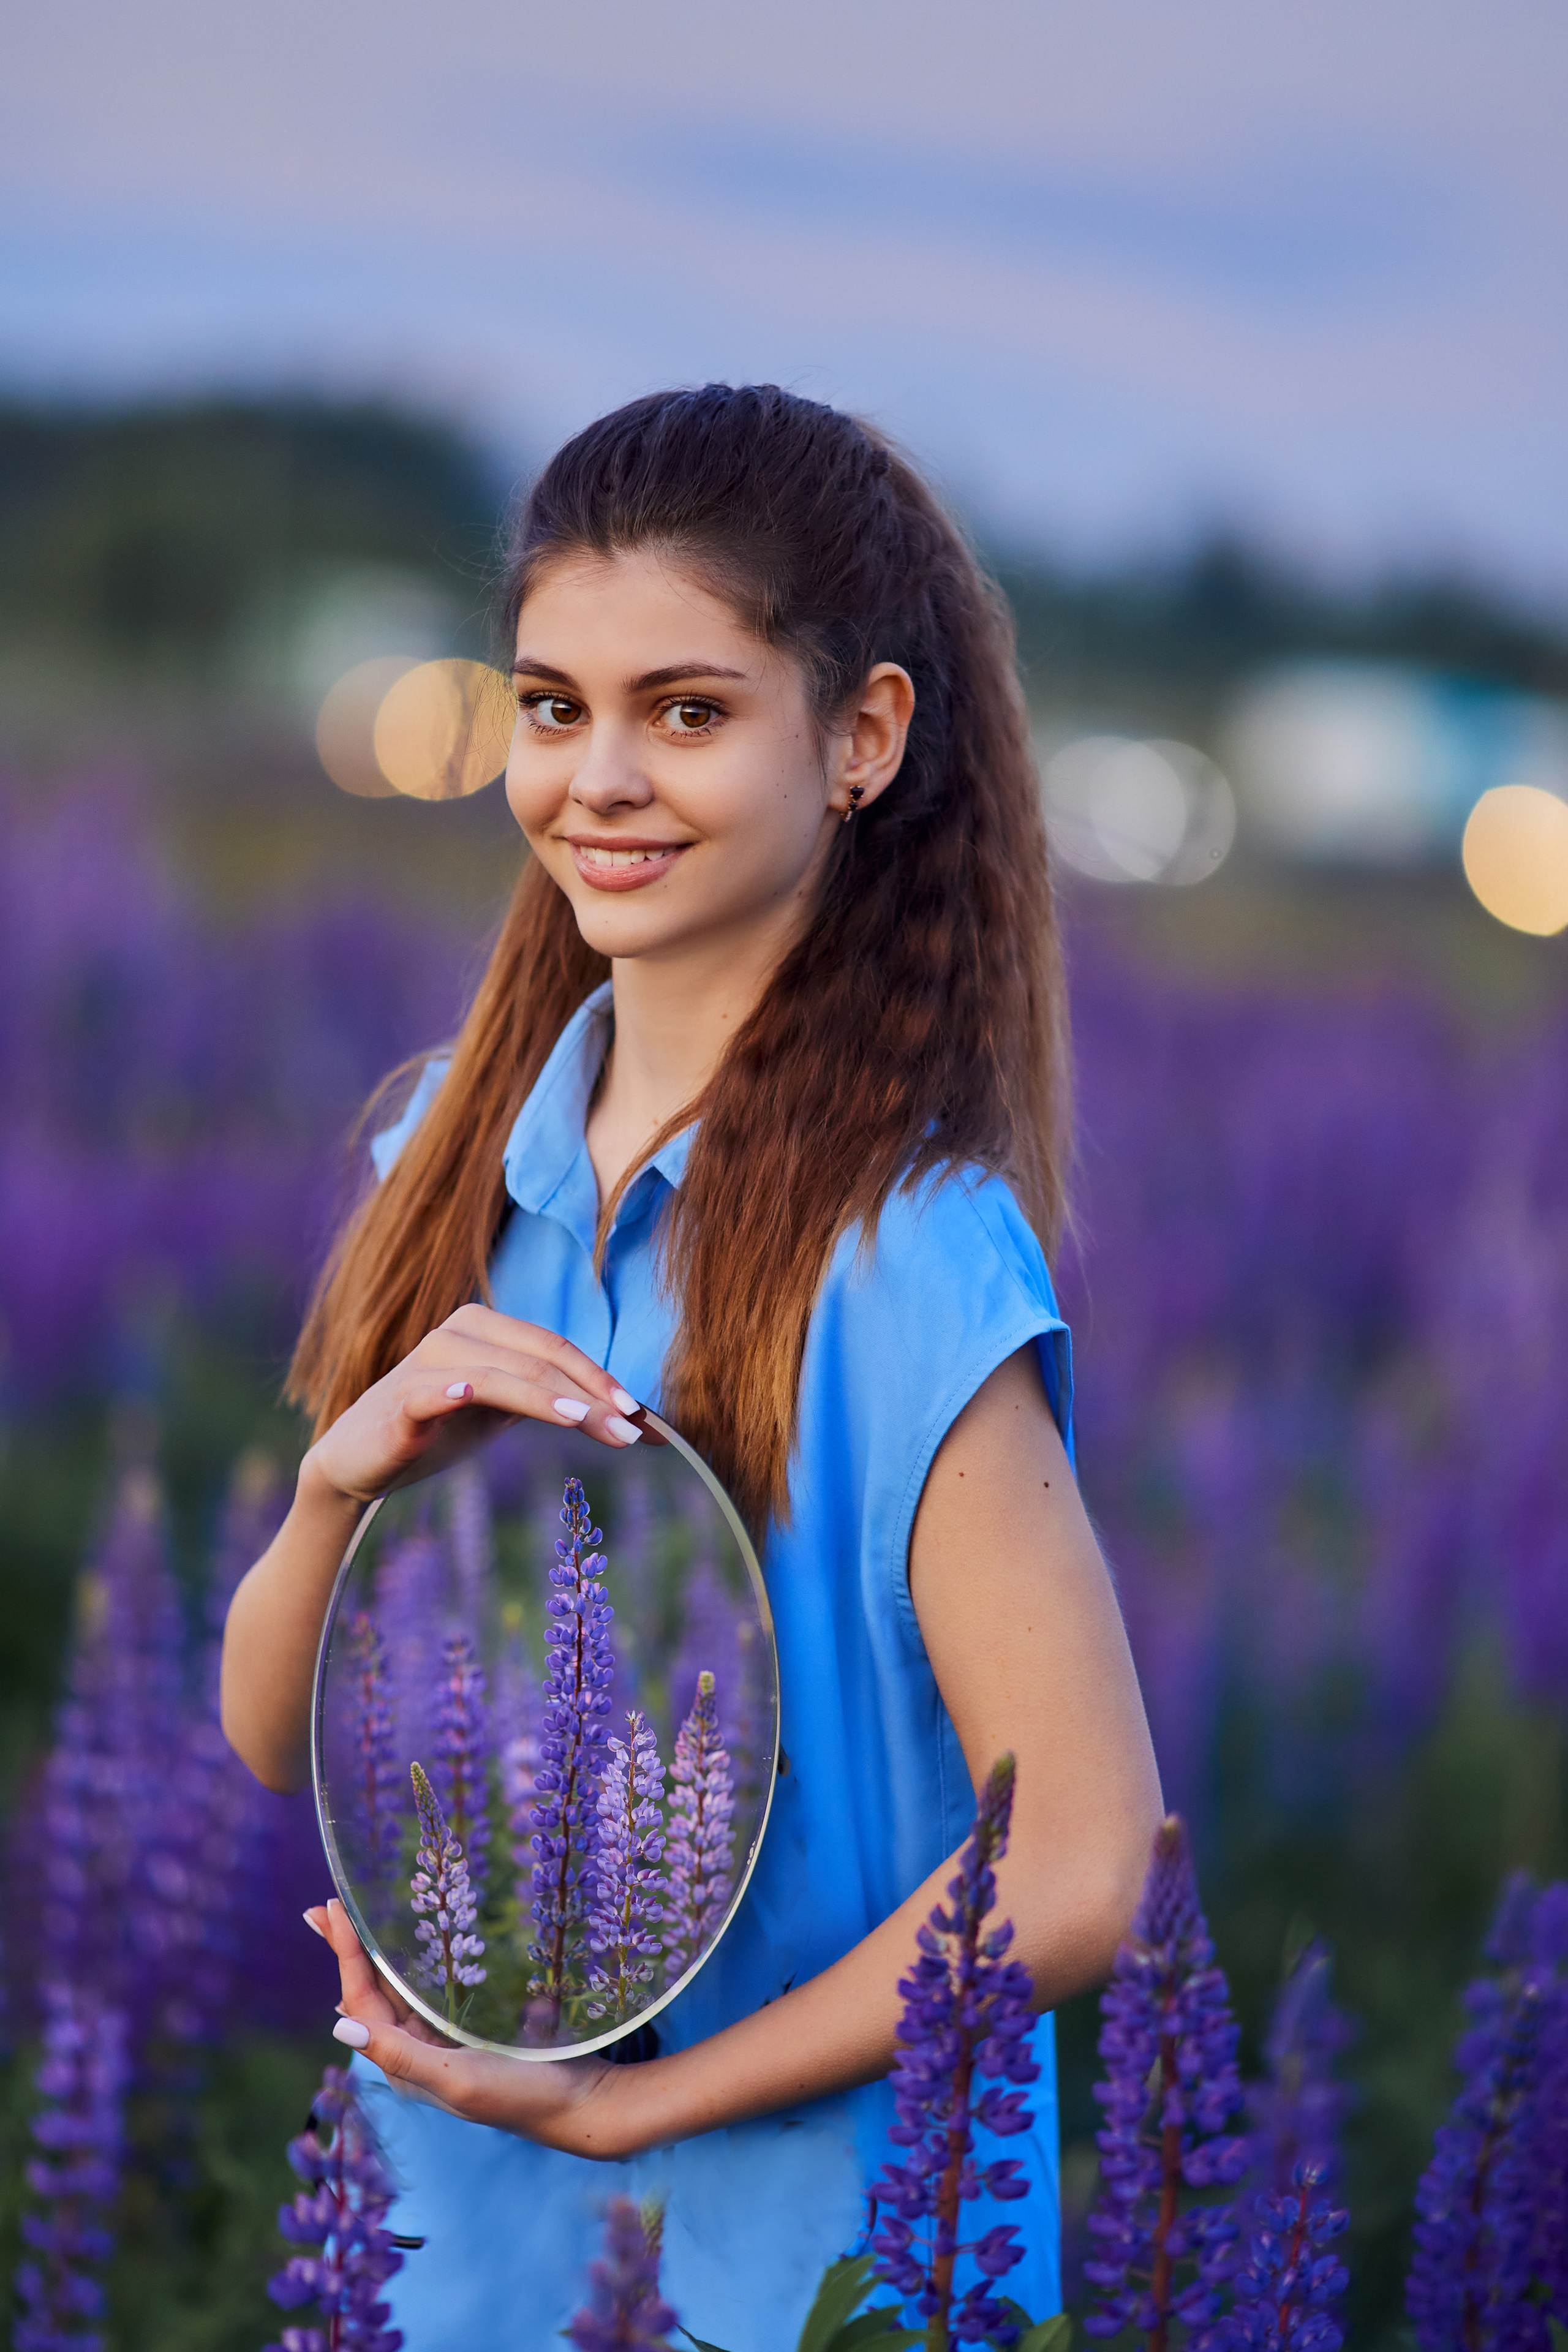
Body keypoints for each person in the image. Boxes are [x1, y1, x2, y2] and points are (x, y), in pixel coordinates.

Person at [221, 384, 1162, 2349]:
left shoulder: (907, 1255)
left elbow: (1074, 1860)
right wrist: (334, 1494)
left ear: (864, 741)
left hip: (813, 2271)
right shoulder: (443, 1161)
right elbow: (278, 1734)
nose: (601, 778)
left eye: (691, 711)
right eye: (553, 706)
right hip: (465, 2249)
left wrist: (631, 2106)